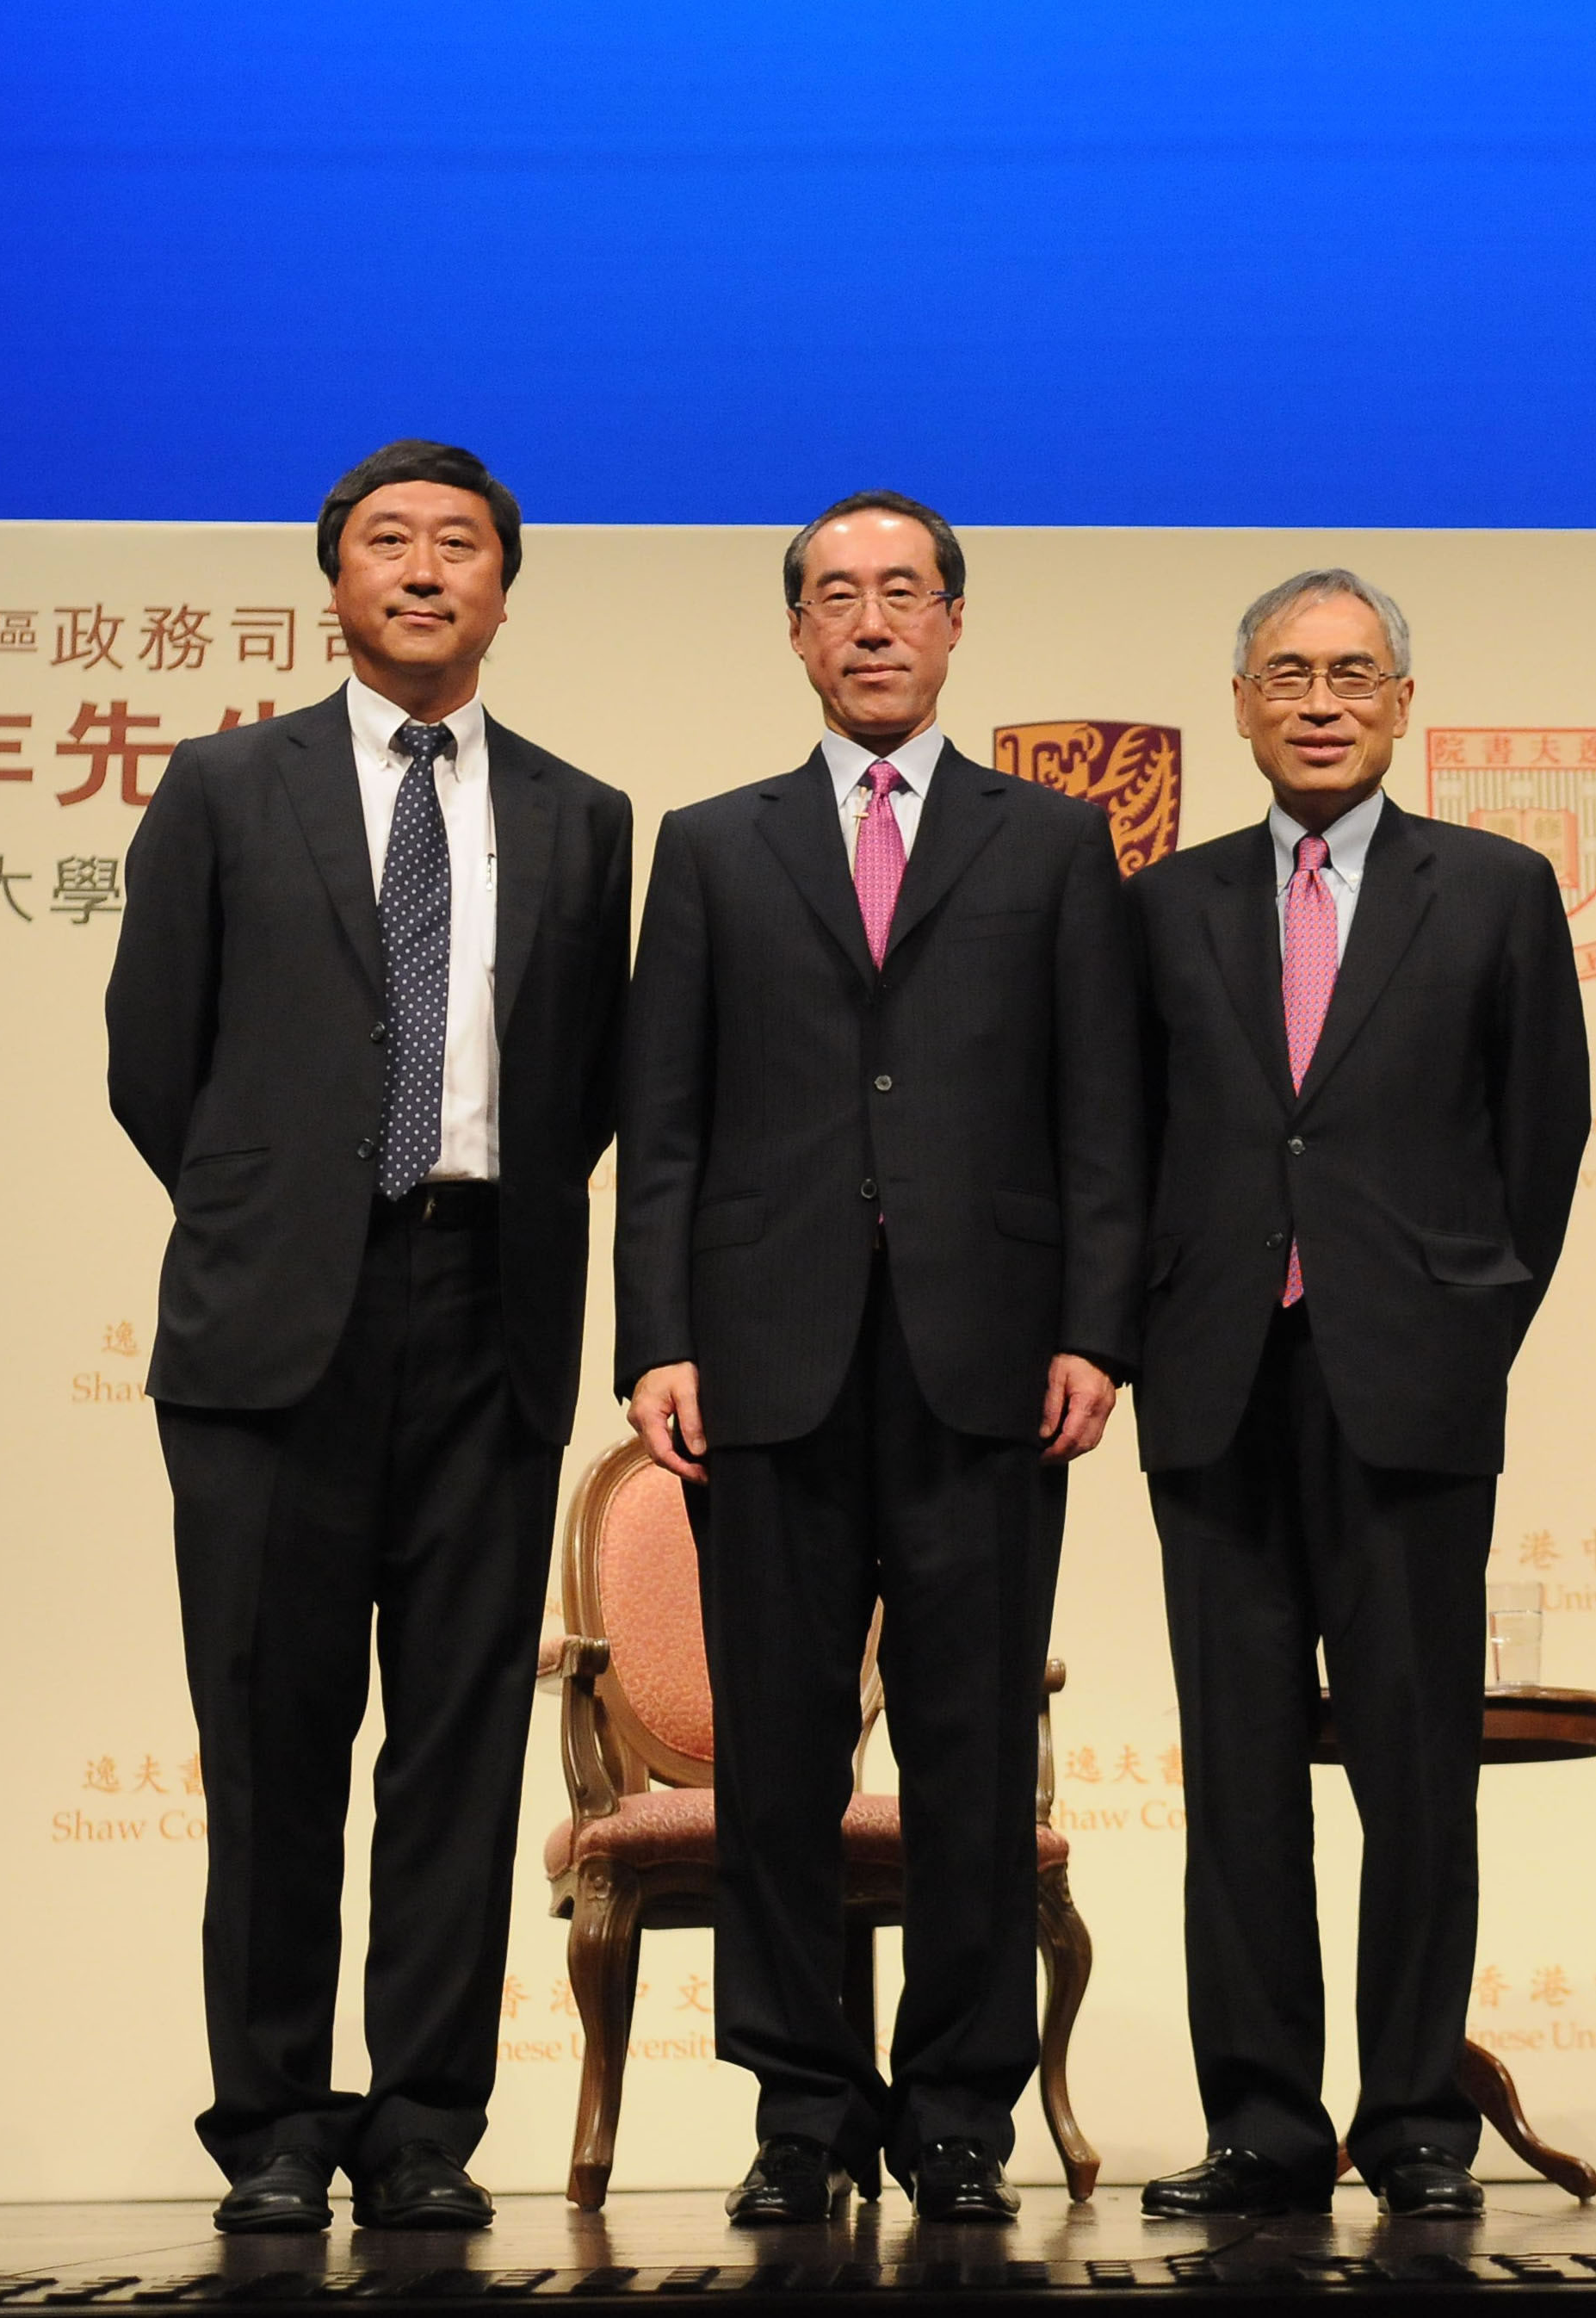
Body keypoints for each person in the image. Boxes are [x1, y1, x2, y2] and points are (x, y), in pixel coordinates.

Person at [106, 441, 639, 2234]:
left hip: (483, 1308)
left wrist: (450, 1213)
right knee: (269, 1739)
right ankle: (267, 2116)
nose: (424, 572)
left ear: (507, 584)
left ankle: (421, 2122)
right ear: (332, 580)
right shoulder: (221, 788)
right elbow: (155, 1062)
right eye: (389, 545)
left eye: (460, 547)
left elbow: (578, 1091)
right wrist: (300, 1216)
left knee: (455, 1747)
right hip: (271, 1336)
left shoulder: (581, 814)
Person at [615, 490, 1142, 2225]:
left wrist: (1093, 1320)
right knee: (776, 1750)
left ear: (954, 621)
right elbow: (664, 1119)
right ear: (793, 634)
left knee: (973, 1745)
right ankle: (799, 2102)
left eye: (901, 592)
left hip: (987, 1358)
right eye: (834, 596)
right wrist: (659, 1339)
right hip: (764, 1361)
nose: (869, 622)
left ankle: (959, 2111)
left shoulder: (1051, 844)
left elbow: (1098, 1113)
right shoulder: (710, 843)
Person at [1124, 570, 1590, 2220]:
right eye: (1286, 675)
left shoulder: (1497, 892)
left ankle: (1412, 2125)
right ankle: (1259, 2122)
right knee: (1239, 1779)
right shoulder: (1161, 905)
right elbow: (1124, 1153)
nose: (1320, 702)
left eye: (1354, 676)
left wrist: (1467, 1324)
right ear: (1240, 704)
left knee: (1414, 1774)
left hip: (1411, 1389)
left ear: (1403, 704)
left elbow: (1543, 1141)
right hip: (1215, 1388)